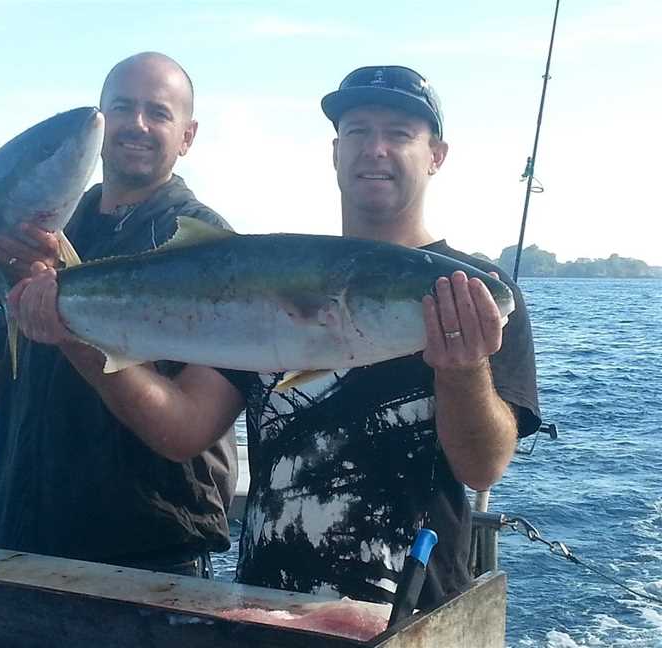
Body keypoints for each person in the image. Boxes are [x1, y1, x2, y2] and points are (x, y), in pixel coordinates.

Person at [0, 52, 245, 577]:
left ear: (188, 135)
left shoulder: (206, 248)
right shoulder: (43, 230)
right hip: (16, 543)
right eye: (123, 107)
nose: (137, 124)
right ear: (102, 118)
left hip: (144, 562)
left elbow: (179, 432)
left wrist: (71, 326)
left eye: (158, 112)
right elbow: (14, 386)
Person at [216, 65, 541, 609]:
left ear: (436, 155)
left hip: (415, 616)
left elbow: (482, 468)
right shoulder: (273, 274)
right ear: (335, 152)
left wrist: (462, 370)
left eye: (399, 134)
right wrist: (83, 340)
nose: (375, 149)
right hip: (262, 608)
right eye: (358, 131)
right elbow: (181, 430)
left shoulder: (476, 291)